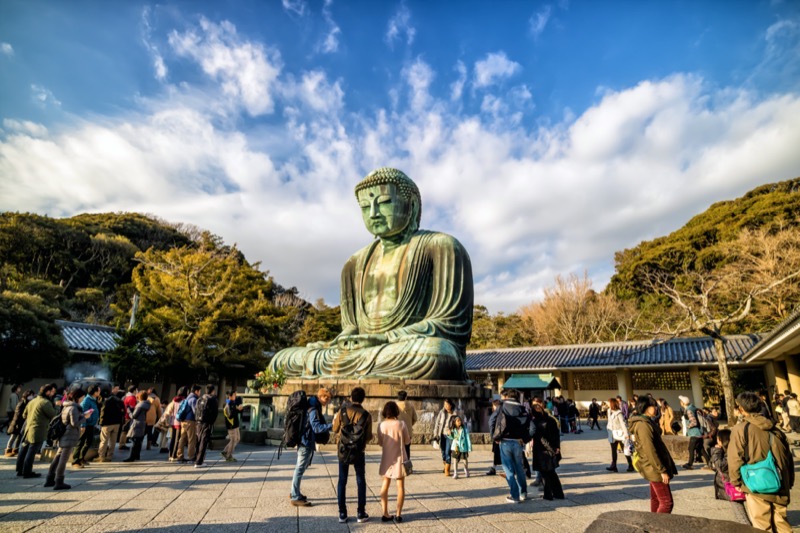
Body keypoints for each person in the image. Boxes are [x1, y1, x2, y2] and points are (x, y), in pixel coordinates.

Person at [269, 168, 474, 381]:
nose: (374, 212)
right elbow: (351, 326)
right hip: (364, 352)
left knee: (435, 354)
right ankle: (354, 369)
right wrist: (343, 340)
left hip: (407, 348)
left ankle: (360, 369)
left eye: (384, 202)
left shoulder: (442, 247)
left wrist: (384, 338)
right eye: (365, 207)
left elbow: (451, 325)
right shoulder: (354, 263)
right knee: (282, 360)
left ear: (411, 205)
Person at [728, 391, 794, 532]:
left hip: (756, 484)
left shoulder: (741, 429)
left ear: (741, 409)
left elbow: (735, 458)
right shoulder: (775, 429)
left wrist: (736, 481)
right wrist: (790, 480)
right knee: (782, 523)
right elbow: (788, 458)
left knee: (762, 525)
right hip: (780, 481)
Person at [629, 395, 677, 514]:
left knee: (656, 499)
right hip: (654, 467)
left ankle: (652, 525)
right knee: (666, 502)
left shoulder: (646, 421)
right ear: (645, 407)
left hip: (652, 466)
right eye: (652, 406)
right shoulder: (643, 425)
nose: (655, 408)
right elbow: (649, 449)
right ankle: (657, 527)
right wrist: (661, 470)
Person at [333, 387, 373, 524]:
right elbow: (368, 437)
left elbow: (334, 429)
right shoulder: (367, 415)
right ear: (363, 399)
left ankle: (342, 513)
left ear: (351, 397)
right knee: (360, 480)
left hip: (343, 450)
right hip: (358, 451)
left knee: (342, 480)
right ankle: (361, 513)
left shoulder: (342, 411)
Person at [290, 387, 333, 506]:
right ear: (319, 396)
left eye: (328, 399)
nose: (327, 401)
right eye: (325, 397)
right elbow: (316, 427)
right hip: (306, 440)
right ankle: (294, 496)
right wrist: (331, 426)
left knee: (301, 468)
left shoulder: (312, 405)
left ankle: (295, 491)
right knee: (300, 468)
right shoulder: (313, 408)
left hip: (305, 439)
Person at [493, 389, 533, 504]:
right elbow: (532, 427)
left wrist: (495, 437)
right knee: (520, 468)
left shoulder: (502, 406)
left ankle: (514, 495)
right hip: (518, 442)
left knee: (508, 469)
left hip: (505, 441)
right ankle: (523, 493)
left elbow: (492, 420)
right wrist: (525, 439)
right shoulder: (523, 408)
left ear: (506, 396)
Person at [45, 388, 90, 490]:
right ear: (77, 397)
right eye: (82, 397)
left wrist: (82, 415)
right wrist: (85, 417)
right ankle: (59, 481)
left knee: (57, 458)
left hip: (64, 435)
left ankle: (49, 478)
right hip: (69, 436)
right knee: (63, 460)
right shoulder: (73, 408)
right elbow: (74, 423)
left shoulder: (66, 406)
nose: (83, 399)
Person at [377, 400, 410, 523]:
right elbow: (407, 441)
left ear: (385, 412)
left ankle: (385, 512)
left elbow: (380, 443)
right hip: (400, 459)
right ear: (396, 411)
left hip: (386, 459)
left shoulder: (381, 425)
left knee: (385, 485)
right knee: (400, 486)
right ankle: (398, 514)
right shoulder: (401, 424)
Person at [16, 384, 57, 478]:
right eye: (52, 392)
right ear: (47, 392)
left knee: (24, 449)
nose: (52, 394)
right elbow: (53, 414)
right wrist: (57, 406)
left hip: (28, 429)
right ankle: (27, 472)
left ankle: (19, 470)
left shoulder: (33, 401)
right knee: (31, 451)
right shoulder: (45, 402)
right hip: (37, 430)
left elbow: (24, 415)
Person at [530, 402, 563, 500]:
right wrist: (556, 447)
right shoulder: (551, 420)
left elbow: (542, 439)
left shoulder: (536, 422)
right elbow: (557, 434)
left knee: (545, 474)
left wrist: (551, 449)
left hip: (542, 450)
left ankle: (548, 494)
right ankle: (558, 493)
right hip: (553, 448)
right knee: (552, 472)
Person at [72, 384, 100, 468]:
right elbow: (82, 413)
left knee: (88, 442)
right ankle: (75, 461)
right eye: (98, 391)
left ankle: (81, 458)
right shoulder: (87, 400)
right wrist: (83, 425)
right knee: (80, 443)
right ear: (94, 392)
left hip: (91, 424)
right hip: (85, 425)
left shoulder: (93, 399)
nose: (99, 392)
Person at [679, 395, 708, 469]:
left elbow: (694, 422)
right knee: (700, 449)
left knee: (691, 448)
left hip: (695, 433)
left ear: (683, 403)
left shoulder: (689, 410)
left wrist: (688, 426)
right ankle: (710, 463)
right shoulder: (693, 408)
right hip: (699, 432)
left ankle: (690, 464)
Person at [194, 384, 219, 468]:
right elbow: (215, 413)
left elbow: (196, 410)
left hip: (198, 422)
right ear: (213, 391)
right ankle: (199, 461)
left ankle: (196, 458)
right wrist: (211, 422)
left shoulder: (200, 398)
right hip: (207, 422)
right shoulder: (212, 399)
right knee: (204, 441)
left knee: (198, 440)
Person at [606, 397, 634, 472]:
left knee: (625, 449)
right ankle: (614, 465)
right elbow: (609, 421)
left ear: (612, 403)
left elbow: (623, 424)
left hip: (620, 433)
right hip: (611, 432)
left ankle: (630, 464)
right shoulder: (609, 411)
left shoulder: (619, 413)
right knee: (613, 450)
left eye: (608, 402)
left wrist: (626, 434)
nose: (607, 403)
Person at [97, 389, 125, 462]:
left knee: (104, 440)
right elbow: (123, 412)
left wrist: (101, 423)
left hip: (107, 423)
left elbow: (102, 413)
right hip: (117, 423)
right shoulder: (119, 401)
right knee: (113, 441)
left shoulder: (106, 402)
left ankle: (101, 456)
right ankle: (110, 456)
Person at [123, 391, 151, 462]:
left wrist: (129, 411)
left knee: (135, 441)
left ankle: (132, 457)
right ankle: (137, 455)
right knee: (138, 441)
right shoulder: (146, 404)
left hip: (137, 424)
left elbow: (134, 416)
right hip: (142, 423)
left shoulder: (140, 405)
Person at [176, 384, 201, 463]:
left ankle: (179, 456)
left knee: (182, 439)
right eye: (199, 391)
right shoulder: (194, 399)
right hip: (190, 421)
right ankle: (191, 456)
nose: (200, 393)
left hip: (183, 421)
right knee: (191, 439)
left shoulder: (187, 398)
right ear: (196, 391)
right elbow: (195, 412)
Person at [432, 398, 457, 476]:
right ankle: (445, 465)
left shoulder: (455, 414)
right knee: (443, 452)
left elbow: (458, 425)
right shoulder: (442, 412)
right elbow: (437, 423)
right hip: (441, 434)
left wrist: (452, 431)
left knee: (448, 451)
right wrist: (435, 434)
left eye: (447, 405)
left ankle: (447, 470)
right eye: (444, 404)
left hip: (449, 436)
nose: (445, 406)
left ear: (451, 405)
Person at [5, 389, 32, 457]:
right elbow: (17, 414)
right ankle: (8, 449)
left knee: (19, 437)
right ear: (27, 396)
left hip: (22, 423)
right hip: (17, 422)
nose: (31, 396)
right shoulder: (22, 402)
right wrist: (16, 423)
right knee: (13, 436)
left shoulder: (27, 402)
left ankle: (15, 449)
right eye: (30, 395)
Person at [165, 387, 187, 462]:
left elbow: (168, 411)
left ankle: (170, 455)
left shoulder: (174, 400)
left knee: (173, 439)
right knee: (178, 440)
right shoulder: (184, 401)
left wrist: (167, 421)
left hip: (173, 422)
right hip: (180, 422)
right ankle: (174, 455)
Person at [222, 390, 244, 462]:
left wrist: (239, 409)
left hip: (235, 424)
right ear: (230, 396)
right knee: (233, 440)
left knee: (237, 439)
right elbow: (230, 416)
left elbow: (236, 412)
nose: (235, 396)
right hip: (231, 425)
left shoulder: (233, 403)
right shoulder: (228, 405)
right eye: (234, 395)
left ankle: (225, 451)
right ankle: (228, 455)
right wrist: (237, 409)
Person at [395, 391, 417, 459]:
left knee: (397, 450)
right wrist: (410, 424)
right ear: (406, 397)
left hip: (397, 430)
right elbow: (415, 418)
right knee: (407, 449)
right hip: (408, 431)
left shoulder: (395, 406)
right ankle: (407, 467)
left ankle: (399, 466)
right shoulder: (411, 406)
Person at [485, 399, 503, 476]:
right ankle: (494, 468)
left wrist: (493, 435)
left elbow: (491, 423)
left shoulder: (497, 412)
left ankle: (495, 468)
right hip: (499, 435)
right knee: (498, 453)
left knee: (499, 453)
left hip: (498, 435)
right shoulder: (501, 412)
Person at [119, 385, 138, 450]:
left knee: (124, 431)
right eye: (136, 390)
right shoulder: (132, 398)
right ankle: (122, 444)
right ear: (134, 390)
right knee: (124, 431)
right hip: (128, 417)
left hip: (125, 415)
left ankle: (122, 444)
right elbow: (132, 408)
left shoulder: (127, 396)